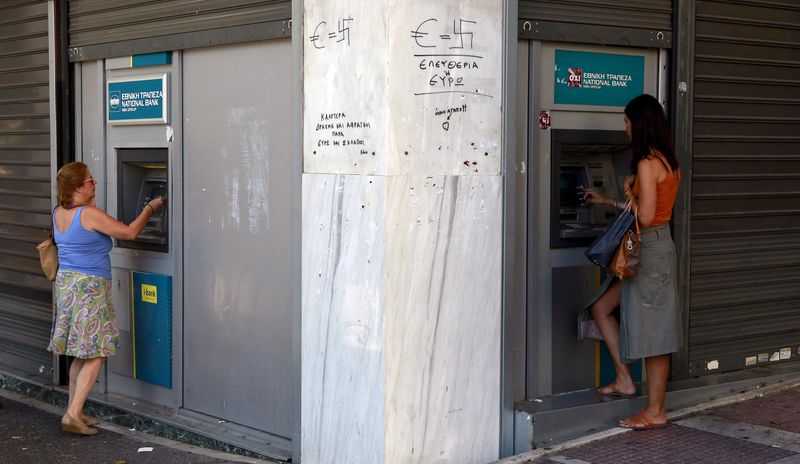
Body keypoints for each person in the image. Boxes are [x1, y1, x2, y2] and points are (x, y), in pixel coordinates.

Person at [580, 94, 682, 430]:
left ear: (638, 124)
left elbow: (647, 215)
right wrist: (611, 197)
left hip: (648, 252)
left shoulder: (647, 163)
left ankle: (655, 411)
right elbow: (646, 209)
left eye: (626, 121)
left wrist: (629, 190)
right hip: (655, 247)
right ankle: (625, 379)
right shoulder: (668, 162)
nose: (624, 128)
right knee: (601, 307)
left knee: (655, 335)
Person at [48, 161, 165, 435]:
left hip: (68, 286)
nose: (94, 184)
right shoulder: (88, 214)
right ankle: (74, 414)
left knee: (81, 351)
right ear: (78, 187)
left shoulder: (59, 212)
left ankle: (72, 410)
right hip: (89, 288)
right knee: (98, 351)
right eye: (90, 180)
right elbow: (129, 232)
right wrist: (151, 207)